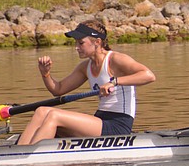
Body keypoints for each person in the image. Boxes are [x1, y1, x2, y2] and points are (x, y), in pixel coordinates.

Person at [17, 20, 156, 145]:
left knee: (54, 116)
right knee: (41, 111)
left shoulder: (116, 59)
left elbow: (148, 75)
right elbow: (58, 90)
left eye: (81, 43)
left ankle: (29, 157)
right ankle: (18, 152)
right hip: (100, 120)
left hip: (118, 125)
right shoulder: (85, 67)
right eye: (76, 43)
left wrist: (114, 82)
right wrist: (45, 73)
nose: (76, 47)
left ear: (97, 42)